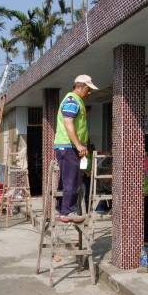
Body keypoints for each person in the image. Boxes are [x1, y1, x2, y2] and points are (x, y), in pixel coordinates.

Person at [54, 74, 97, 223]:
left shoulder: (76, 101)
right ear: (79, 86)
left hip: (70, 147)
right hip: (69, 146)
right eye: (88, 89)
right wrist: (78, 144)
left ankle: (61, 208)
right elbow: (68, 122)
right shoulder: (72, 101)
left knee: (68, 179)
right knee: (70, 180)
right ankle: (67, 211)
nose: (89, 92)